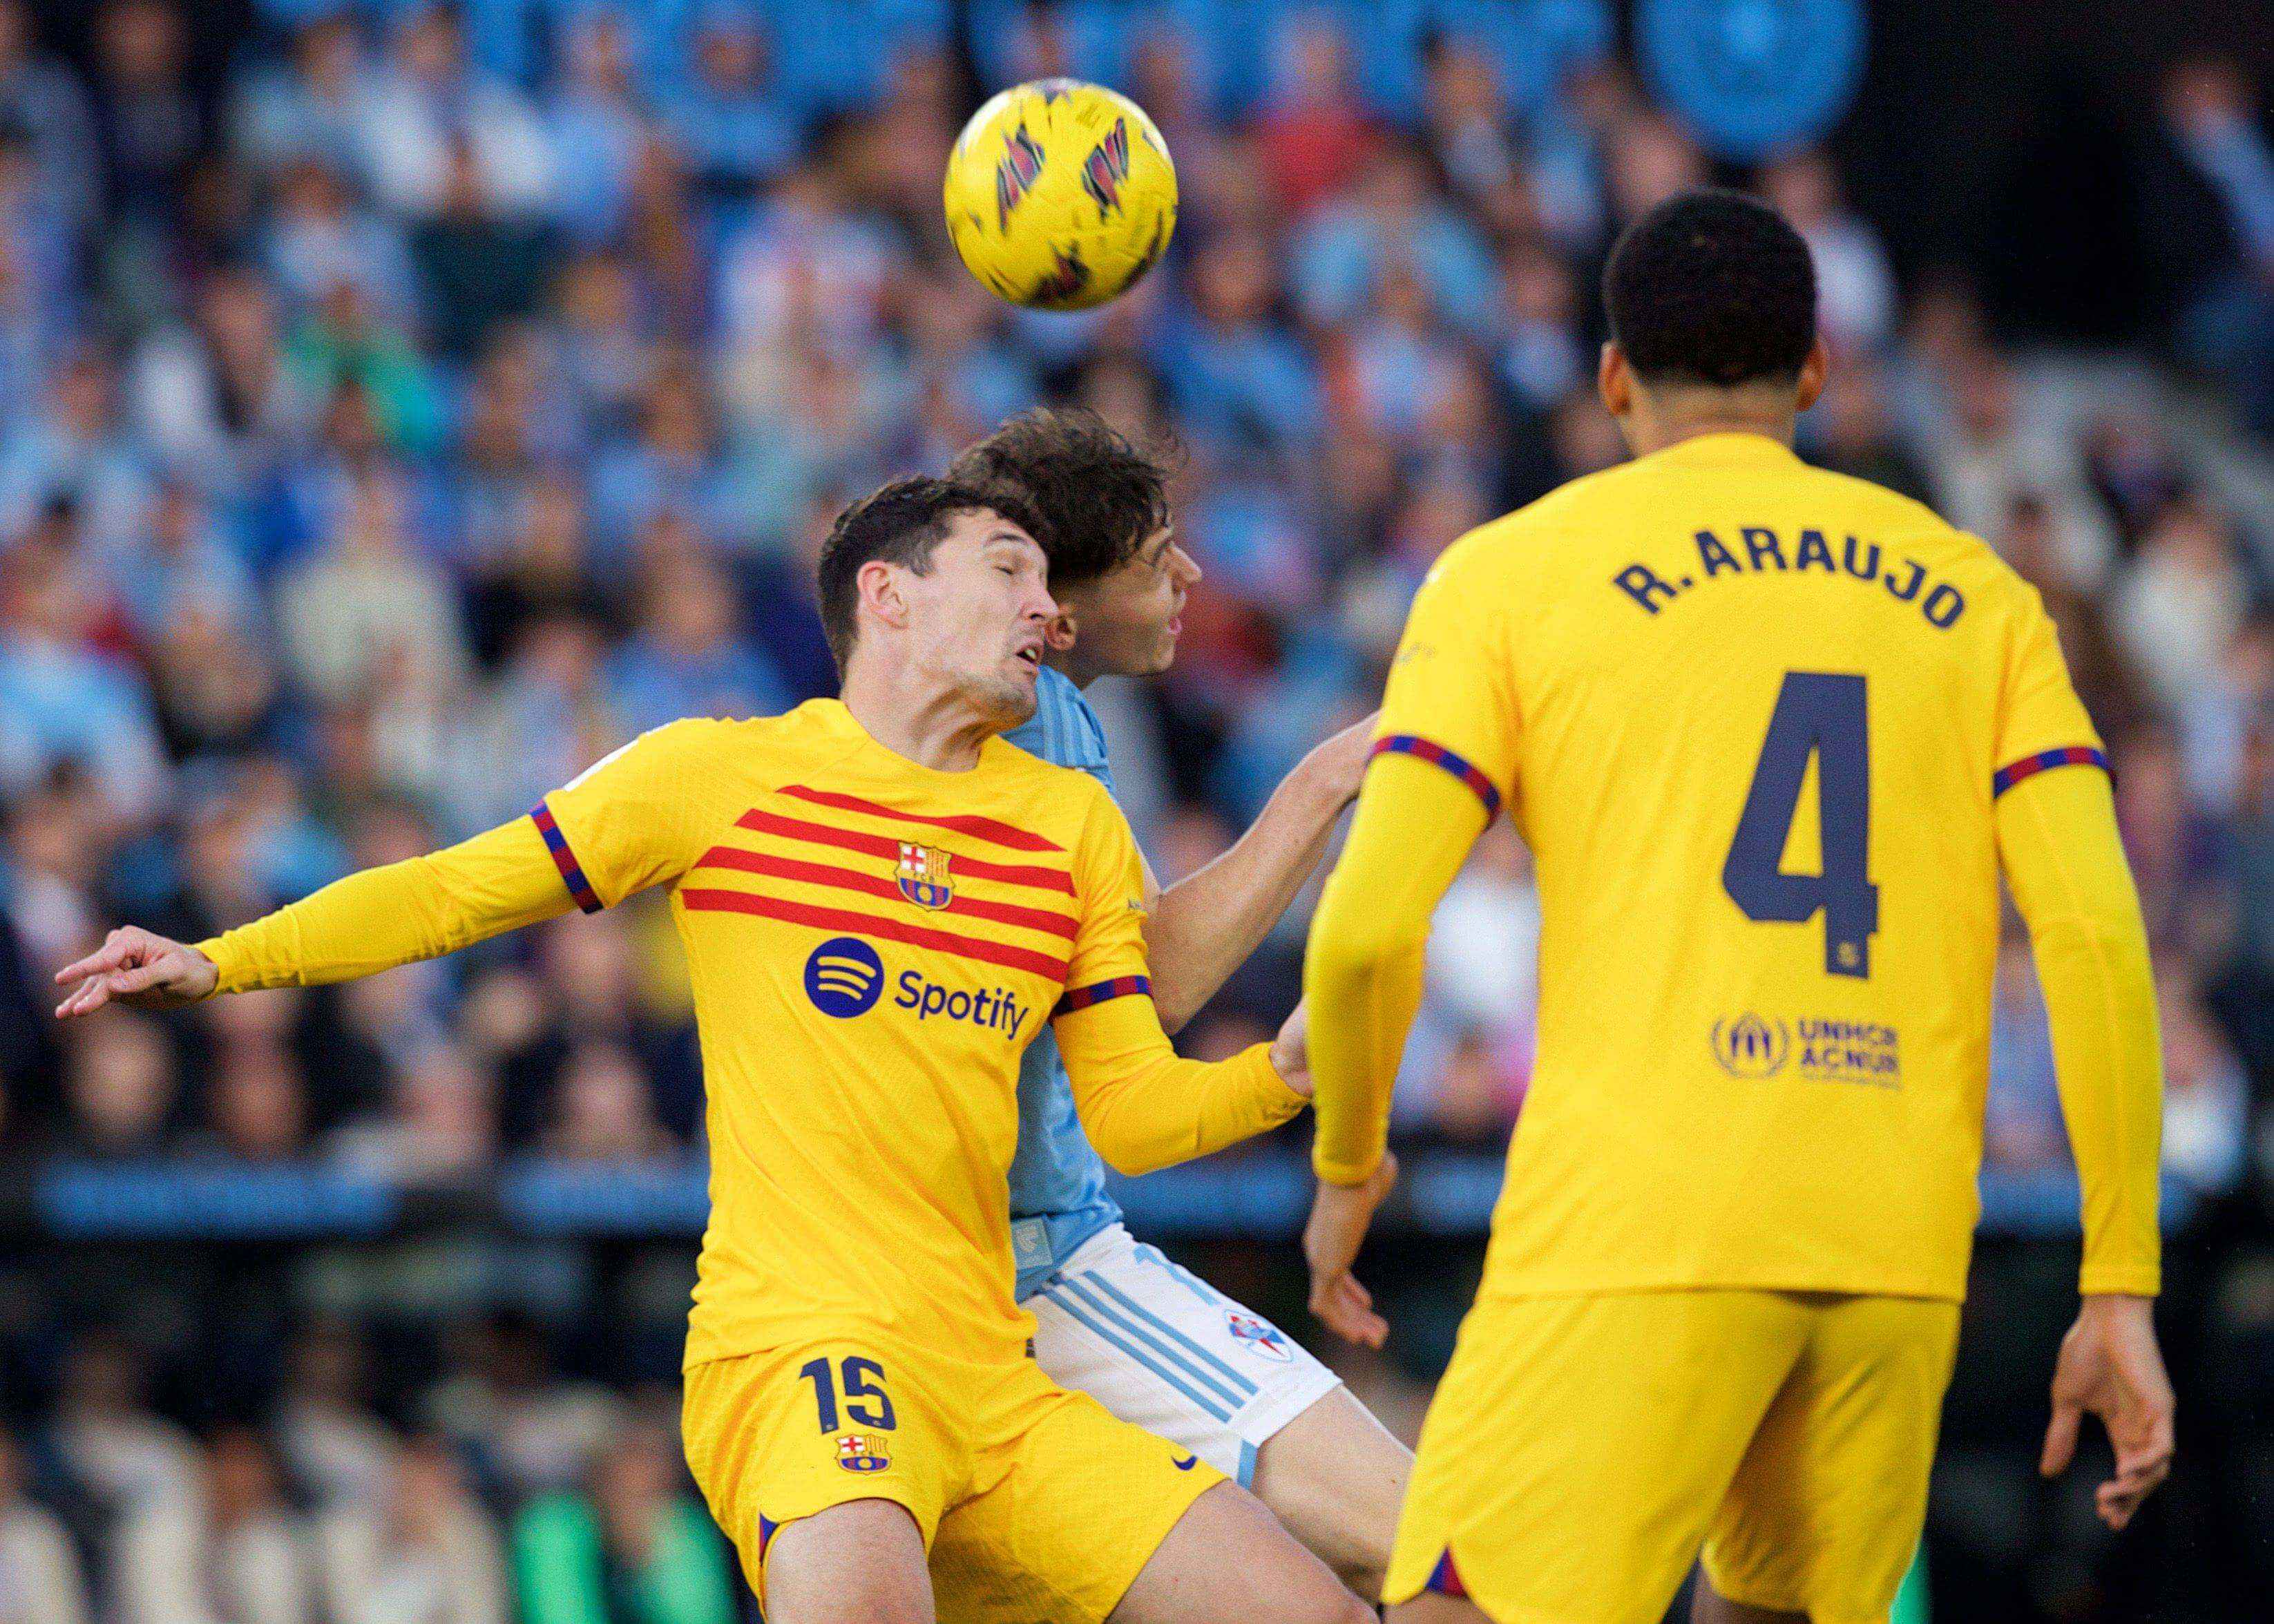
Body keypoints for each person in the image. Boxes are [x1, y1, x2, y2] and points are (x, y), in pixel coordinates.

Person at [53, 477, 1373, 1624]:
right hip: (803, 1347)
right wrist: (224, 959)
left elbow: (1131, 1114)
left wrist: (1287, 1075)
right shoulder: (717, 776)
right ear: (889, 596)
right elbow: (452, 889)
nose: (1049, 608)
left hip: (999, 1380)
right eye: (1009, 570)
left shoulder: (1068, 823)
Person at [1297, 189, 2177, 1624]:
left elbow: (1367, 929)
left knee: (1455, 1608)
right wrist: (2117, 1283)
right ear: (1813, 373)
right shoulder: (1980, 597)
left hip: (1631, 1233)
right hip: (1890, 1249)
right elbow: (2091, 937)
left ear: (1610, 378)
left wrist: (1346, 1165)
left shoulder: (1508, 573)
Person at [948, 409, 1411, 1598]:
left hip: (930, 1280)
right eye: (1160, 558)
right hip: (1037, 1267)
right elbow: (1147, 991)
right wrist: (1331, 777)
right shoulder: (1030, 714)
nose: (1192, 577)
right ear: (1062, 600)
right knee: (1444, 1545)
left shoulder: (1002, 715)